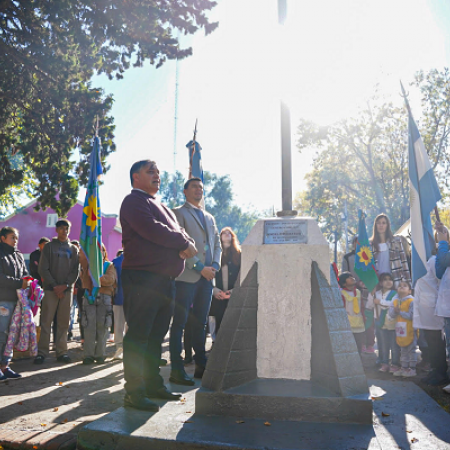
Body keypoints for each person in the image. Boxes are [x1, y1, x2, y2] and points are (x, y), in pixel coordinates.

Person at [120, 160, 196, 412]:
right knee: (139, 336)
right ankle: (134, 392)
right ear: (135, 177)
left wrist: (184, 241)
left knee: (156, 337)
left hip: (165, 281)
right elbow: (152, 230)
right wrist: (183, 243)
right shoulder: (134, 201)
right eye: (150, 171)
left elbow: (178, 232)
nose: (157, 176)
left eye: (158, 173)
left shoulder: (160, 205)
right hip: (143, 278)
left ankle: (153, 385)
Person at [169, 177, 222, 385]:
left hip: (207, 279)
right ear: (185, 191)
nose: (199, 190)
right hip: (187, 277)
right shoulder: (178, 213)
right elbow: (179, 244)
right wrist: (200, 268)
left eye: (201, 187)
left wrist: (214, 267)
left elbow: (217, 244)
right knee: (180, 323)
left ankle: (201, 365)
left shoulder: (209, 216)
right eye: (194, 187)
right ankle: (176, 367)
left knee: (200, 323)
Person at [34, 219, 79, 364]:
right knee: (46, 321)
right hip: (50, 289)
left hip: (66, 290)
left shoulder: (73, 249)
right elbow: (43, 269)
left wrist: (65, 285)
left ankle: (62, 352)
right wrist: (54, 285)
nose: (64, 231)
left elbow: (75, 271)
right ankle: (42, 353)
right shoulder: (48, 247)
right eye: (61, 228)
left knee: (63, 323)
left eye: (66, 228)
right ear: (56, 230)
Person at [0, 226, 30, 380]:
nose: (15, 240)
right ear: (3, 238)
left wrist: (28, 281)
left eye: (17, 237)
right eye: (12, 237)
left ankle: (5, 366)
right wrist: (20, 283)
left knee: (12, 334)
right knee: (1, 333)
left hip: (17, 300)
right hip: (3, 300)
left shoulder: (18, 254)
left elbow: (25, 273)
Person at [414, 252, 448, 386]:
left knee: (436, 343)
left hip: (433, 308)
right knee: (431, 341)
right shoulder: (422, 258)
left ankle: (440, 372)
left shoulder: (434, 260)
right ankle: (435, 370)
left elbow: (440, 279)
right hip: (425, 307)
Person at [79, 244, 116, 365]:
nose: (98, 254)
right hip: (89, 297)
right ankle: (88, 355)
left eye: (101, 251)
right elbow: (82, 256)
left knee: (103, 327)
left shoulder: (109, 265)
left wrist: (96, 277)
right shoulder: (87, 266)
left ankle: (100, 354)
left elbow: (110, 279)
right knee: (89, 327)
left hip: (104, 298)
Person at [342, 235, 375, 354]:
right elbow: (344, 274)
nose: (359, 244)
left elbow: (373, 272)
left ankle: (370, 343)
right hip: (353, 292)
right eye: (357, 242)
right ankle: (358, 344)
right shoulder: (347, 257)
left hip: (367, 291)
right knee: (356, 317)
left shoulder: (369, 256)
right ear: (353, 243)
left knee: (368, 317)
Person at [209, 227, 241, 337]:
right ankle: (214, 342)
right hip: (217, 293)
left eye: (229, 233)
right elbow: (210, 272)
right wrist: (214, 290)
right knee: (215, 317)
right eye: (224, 233)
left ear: (233, 236)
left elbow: (242, 274)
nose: (227, 234)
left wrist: (233, 291)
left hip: (233, 293)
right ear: (220, 237)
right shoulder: (215, 254)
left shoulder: (239, 254)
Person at [367, 273, 400, 373]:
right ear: (380, 283)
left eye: (390, 279)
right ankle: (384, 363)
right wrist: (371, 294)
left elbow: (392, 305)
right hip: (380, 323)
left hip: (392, 324)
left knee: (394, 346)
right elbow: (369, 306)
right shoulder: (376, 293)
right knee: (383, 345)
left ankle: (395, 364)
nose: (388, 281)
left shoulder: (395, 293)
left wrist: (380, 301)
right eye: (385, 279)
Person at [370, 214, 411, 288]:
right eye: (378, 223)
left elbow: (404, 263)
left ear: (387, 225)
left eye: (383, 223)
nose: (381, 225)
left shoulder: (396, 241)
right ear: (375, 225)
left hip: (396, 280)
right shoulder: (370, 244)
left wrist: (408, 283)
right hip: (378, 283)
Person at [389, 280, 417, 377]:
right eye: (400, 286)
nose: (401, 287)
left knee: (411, 349)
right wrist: (395, 311)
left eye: (405, 286)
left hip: (410, 329)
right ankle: (404, 368)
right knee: (403, 348)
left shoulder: (412, 301)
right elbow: (391, 315)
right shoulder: (395, 301)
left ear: (410, 291)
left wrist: (400, 312)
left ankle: (412, 369)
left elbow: (412, 316)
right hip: (400, 329)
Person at [338, 272, 365, 353]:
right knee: (349, 346)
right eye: (348, 277)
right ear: (343, 283)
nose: (352, 278)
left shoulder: (358, 292)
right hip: (348, 325)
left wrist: (364, 318)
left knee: (359, 346)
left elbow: (362, 307)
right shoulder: (341, 293)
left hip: (359, 324)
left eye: (352, 276)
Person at [112, 249, 126, 360]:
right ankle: (119, 348)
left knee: (131, 326)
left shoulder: (137, 260)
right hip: (119, 298)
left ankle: (130, 349)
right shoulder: (116, 262)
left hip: (134, 299)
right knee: (118, 325)